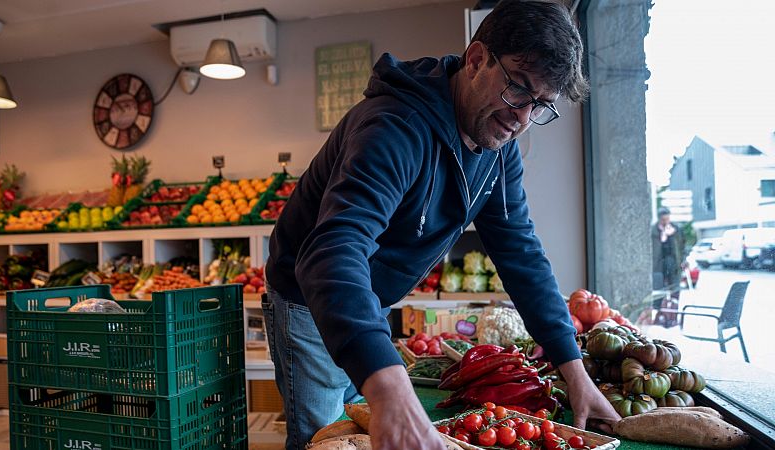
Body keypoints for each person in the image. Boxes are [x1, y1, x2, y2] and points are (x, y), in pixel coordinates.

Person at [263, 1, 621, 449]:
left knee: (359, 432)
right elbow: (332, 252)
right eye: (517, 90)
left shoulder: (497, 149)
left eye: (540, 106)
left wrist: (575, 371)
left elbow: (520, 253)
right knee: (323, 439)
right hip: (308, 299)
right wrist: (390, 388)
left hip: (364, 301)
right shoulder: (394, 128)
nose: (522, 118)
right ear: (475, 60)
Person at [651, 207, 685, 327]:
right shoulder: (654, 231)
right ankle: (660, 317)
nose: (665, 221)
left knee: (675, 291)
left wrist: (683, 260)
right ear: (659, 219)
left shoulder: (676, 229)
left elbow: (682, 246)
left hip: (674, 264)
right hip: (659, 265)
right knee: (659, 292)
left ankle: (673, 317)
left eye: (667, 218)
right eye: (663, 219)